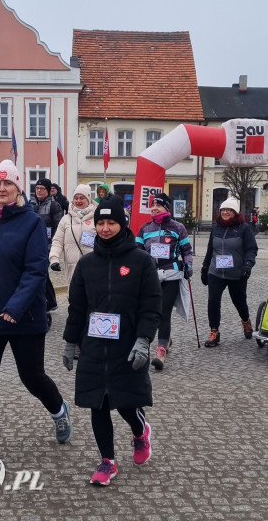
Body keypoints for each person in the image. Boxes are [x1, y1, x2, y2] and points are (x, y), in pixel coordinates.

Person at [0, 160, 72, 471]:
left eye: (8, 183)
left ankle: (59, 409)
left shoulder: (32, 223)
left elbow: (35, 269)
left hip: (24, 318)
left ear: (17, 188)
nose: (2, 189)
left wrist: (14, 307)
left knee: (32, 377)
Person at [63, 196, 161, 486]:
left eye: (112, 222)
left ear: (123, 224)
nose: (105, 228)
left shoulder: (141, 261)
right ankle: (107, 461)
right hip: (94, 345)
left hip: (127, 344)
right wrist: (70, 341)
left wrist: (144, 339)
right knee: (98, 403)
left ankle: (140, 432)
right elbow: (77, 307)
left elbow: (151, 305)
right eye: (101, 223)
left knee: (127, 402)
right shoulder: (86, 264)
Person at [135, 193, 193, 370]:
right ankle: (166, 339)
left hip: (172, 273)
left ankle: (161, 351)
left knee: (163, 311)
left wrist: (188, 265)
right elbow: (137, 250)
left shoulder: (178, 227)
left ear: (166, 208)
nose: (154, 208)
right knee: (150, 309)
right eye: (152, 205)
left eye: (158, 205)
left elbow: (186, 250)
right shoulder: (145, 228)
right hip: (151, 275)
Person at [200, 197, 258, 348]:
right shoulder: (216, 228)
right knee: (213, 301)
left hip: (237, 273)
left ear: (235, 212)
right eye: (223, 210)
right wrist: (205, 268)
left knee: (239, 302)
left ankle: (246, 321)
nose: (225, 212)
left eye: (229, 210)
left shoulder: (244, 229)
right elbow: (210, 250)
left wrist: (248, 265)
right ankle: (214, 332)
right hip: (216, 271)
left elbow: (251, 249)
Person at [49, 184, 96, 285]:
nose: (78, 201)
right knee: (73, 293)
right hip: (72, 268)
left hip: (93, 265)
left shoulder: (96, 218)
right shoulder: (66, 219)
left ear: (88, 199)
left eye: (82, 198)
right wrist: (54, 258)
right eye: (76, 198)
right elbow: (57, 241)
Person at [30, 178, 63, 316]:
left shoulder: (54, 206)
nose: (39, 191)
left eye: (42, 188)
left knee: (41, 271)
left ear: (48, 191)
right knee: (41, 273)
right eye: (37, 188)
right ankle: (50, 301)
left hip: (47, 245)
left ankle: (45, 302)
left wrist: (52, 245)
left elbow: (58, 227)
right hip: (32, 244)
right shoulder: (30, 204)